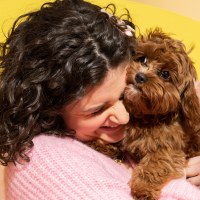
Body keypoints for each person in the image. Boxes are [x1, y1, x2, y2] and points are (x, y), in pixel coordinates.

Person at [0, 0, 200, 199]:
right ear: (52, 109)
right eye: (97, 110)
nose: (124, 117)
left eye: (123, 96)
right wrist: (175, 180)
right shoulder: (43, 159)